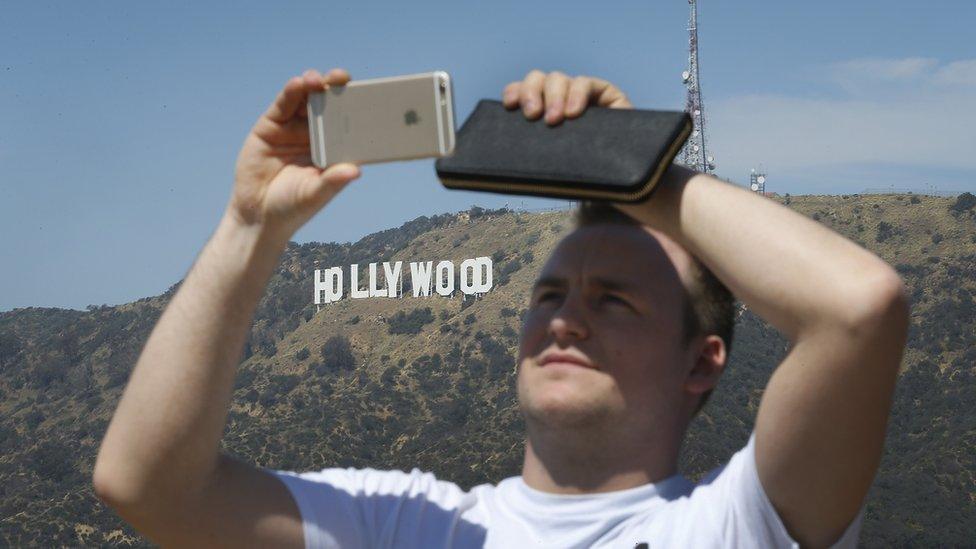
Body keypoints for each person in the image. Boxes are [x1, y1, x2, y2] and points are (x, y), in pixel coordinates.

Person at [93, 68, 909, 548]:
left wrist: (633, 169)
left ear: (702, 360)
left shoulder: (734, 523)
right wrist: (249, 226)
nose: (565, 317)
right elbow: (148, 482)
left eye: (614, 299)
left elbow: (859, 310)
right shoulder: (412, 526)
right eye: (548, 293)